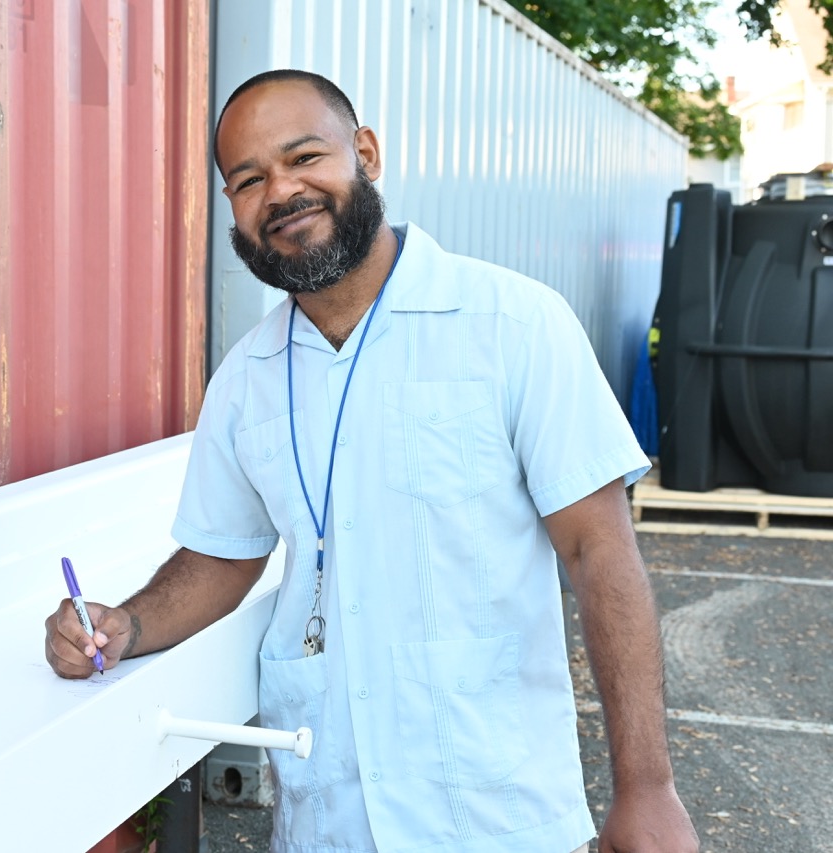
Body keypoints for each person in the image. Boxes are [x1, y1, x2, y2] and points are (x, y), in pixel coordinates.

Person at [45, 69, 699, 853]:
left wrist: (648, 788)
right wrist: (127, 623)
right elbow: (222, 556)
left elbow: (599, 552)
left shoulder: (512, 324)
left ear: (365, 153)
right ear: (232, 210)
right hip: (328, 820)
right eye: (248, 179)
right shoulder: (247, 380)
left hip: (496, 815)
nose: (282, 192)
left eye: (304, 157)